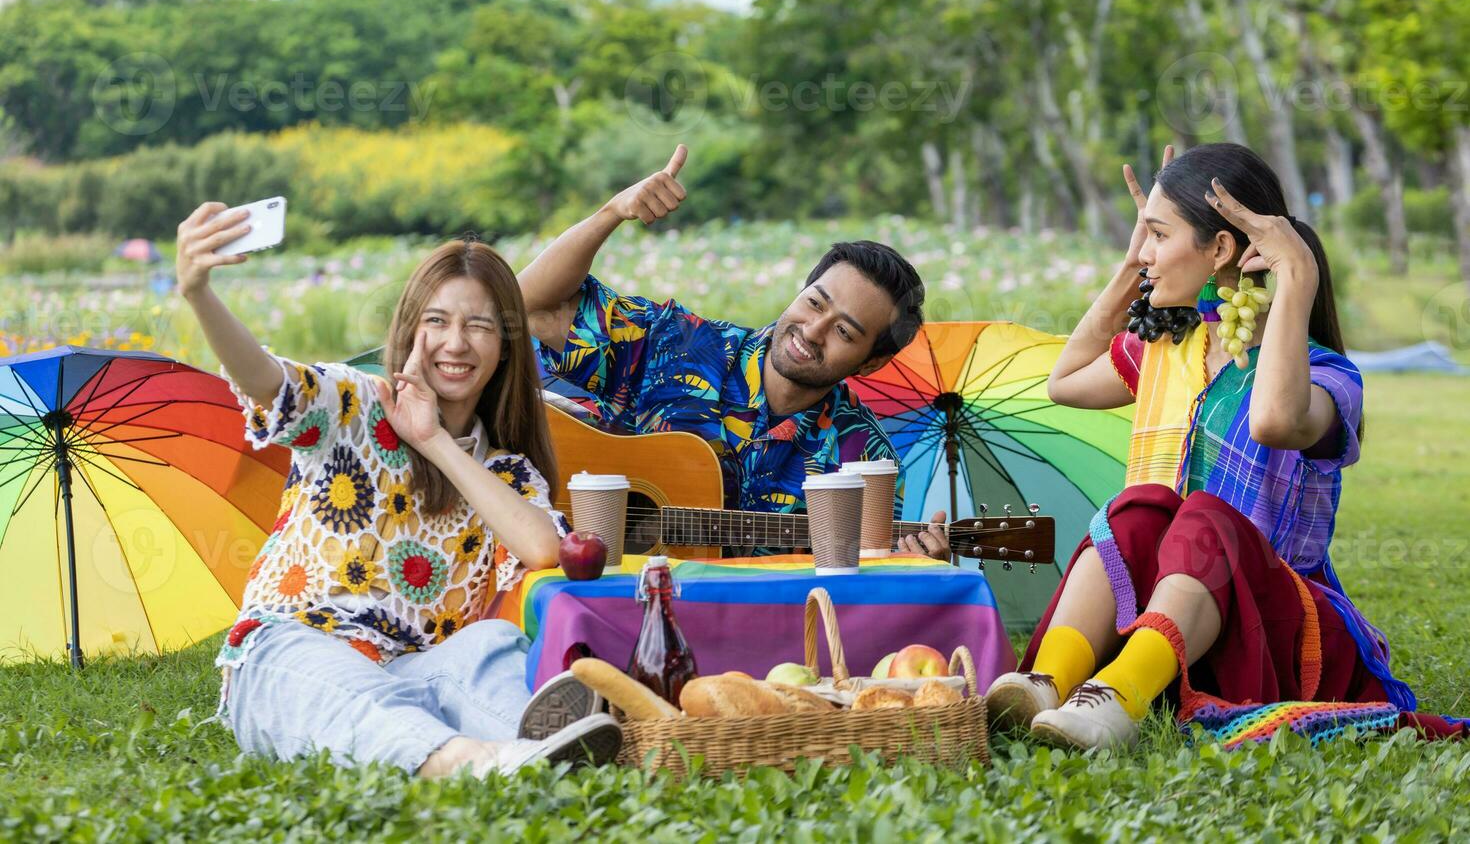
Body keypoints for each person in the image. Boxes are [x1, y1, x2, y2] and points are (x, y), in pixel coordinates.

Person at [985, 142, 1442, 749]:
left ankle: (1116, 699)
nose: (1144, 250)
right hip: (1167, 626)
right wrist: (1132, 266)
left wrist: (1295, 276)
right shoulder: (1170, 350)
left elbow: (1275, 422)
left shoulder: (1329, 378)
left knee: (1206, 516)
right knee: (1141, 506)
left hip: (1267, 619)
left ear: (1221, 249)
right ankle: (1049, 681)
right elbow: (1064, 383)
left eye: (1156, 234)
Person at [179, 205, 621, 778]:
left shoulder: (505, 472)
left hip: (413, 669)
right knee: (355, 697)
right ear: (411, 330)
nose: (455, 343)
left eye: (480, 326)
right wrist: (200, 294)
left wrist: (433, 439)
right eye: (436, 322)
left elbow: (540, 547)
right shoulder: (355, 403)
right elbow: (265, 380)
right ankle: (474, 762)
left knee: (488, 641)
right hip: (292, 650)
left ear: (507, 347)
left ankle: (542, 742)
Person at [517, 145, 949, 559]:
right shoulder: (676, 343)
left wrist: (912, 566)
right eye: (815, 303)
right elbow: (533, 305)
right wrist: (612, 213)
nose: (813, 331)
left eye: (845, 332)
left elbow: (859, 589)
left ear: (872, 361)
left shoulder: (864, 459)